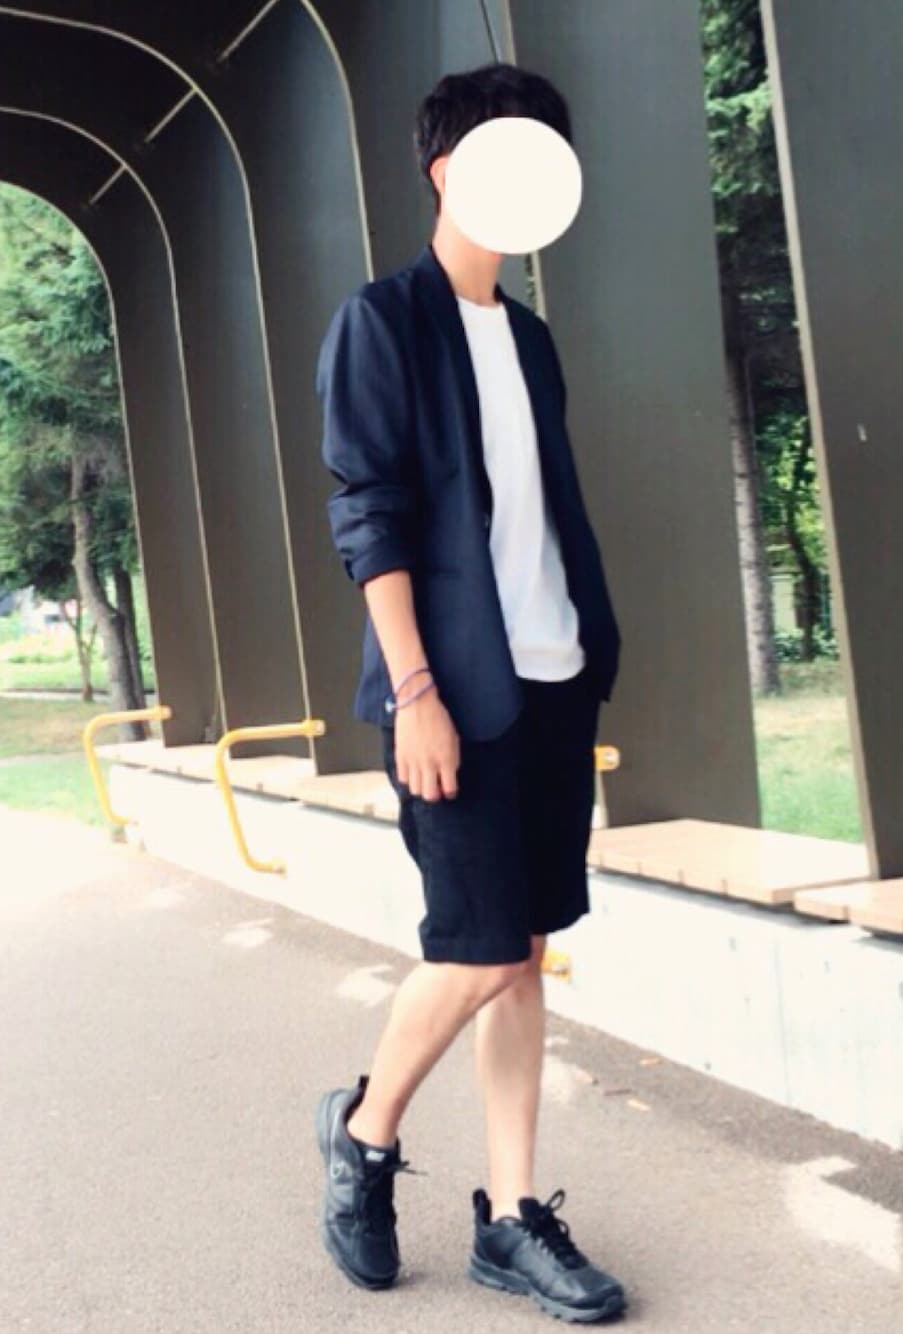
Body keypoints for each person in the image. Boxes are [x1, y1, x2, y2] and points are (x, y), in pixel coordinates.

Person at [314, 61, 624, 1324]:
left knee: (525, 951)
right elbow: (369, 513)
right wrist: (415, 689)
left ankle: (511, 1211)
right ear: (446, 169)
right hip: (450, 690)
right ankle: (363, 1131)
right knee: (479, 944)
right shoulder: (382, 321)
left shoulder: (530, 337)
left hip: (552, 679)